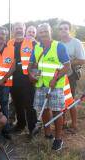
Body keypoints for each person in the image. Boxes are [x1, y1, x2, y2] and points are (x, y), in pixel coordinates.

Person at [28, 23, 71, 151]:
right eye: (41, 32)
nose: (43, 34)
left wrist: (55, 78)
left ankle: (58, 139)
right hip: (41, 85)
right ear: (38, 34)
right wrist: (31, 74)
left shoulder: (59, 46)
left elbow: (67, 66)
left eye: (45, 31)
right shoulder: (36, 48)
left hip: (56, 86)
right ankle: (47, 134)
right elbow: (30, 65)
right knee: (44, 109)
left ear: (50, 31)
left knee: (57, 112)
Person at [7, 22, 37, 136]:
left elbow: (38, 59)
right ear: (13, 30)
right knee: (17, 103)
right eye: (16, 28)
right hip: (13, 77)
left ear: (24, 30)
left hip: (27, 78)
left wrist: (34, 75)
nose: (19, 30)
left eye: (21, 28)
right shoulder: (9, 42)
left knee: (29, 104)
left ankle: (32, 128)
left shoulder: (32, 41)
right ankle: (20, 125)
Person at [59, 21, 85, 133]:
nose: (63, 30)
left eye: (65, 28)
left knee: (70, 100)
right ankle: (63, 123)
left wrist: (67, 63)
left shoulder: (76, 42)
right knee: (61, 100)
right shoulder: (58, 44)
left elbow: (82, 60)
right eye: (61, 29)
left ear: (69, 30)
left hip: (71, 75)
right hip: (60, 75)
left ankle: (74, 125)